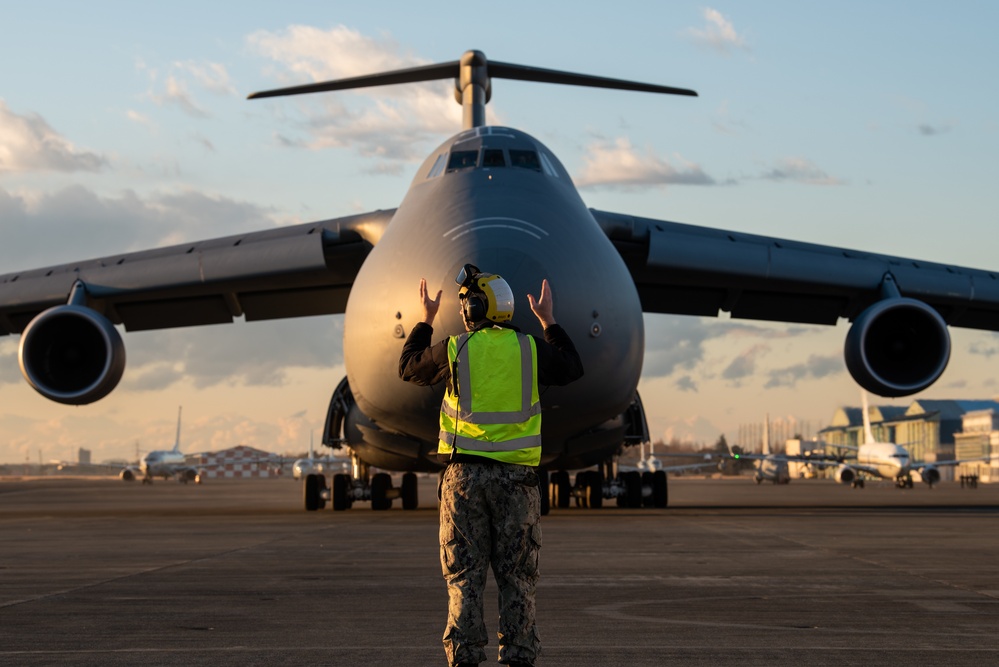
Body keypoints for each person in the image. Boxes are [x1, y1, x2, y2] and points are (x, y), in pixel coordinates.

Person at [399, 265, 584, 667]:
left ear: (473, 308)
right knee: (518, 577)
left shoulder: (456, 349)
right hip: (517, 482)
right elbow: (572, 366)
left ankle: (464, 656)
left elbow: (408, 367)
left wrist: (426, 319)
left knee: (464, 577)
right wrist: (549, 321)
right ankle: (517, 655)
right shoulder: (531, 348)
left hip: (464, 480)